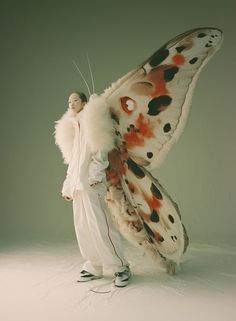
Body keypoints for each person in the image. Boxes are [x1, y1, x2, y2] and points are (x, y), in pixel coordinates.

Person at [54, 91, 131, 287]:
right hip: (79, 186)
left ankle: (120, 267)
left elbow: (100, 153)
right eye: (69, 100)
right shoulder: (74, 127)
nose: (71, 103)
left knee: (101, 226)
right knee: (83, 226)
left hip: (92, 184)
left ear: (85, 102)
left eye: (75, 100)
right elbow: (73, 161)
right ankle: (93, 266)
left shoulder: (92, 124)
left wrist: (94, 177)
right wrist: (68, 185)